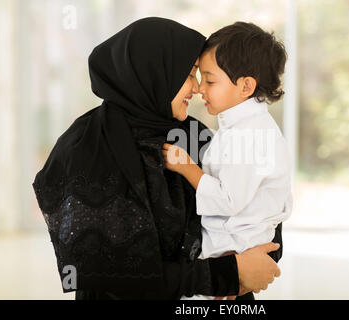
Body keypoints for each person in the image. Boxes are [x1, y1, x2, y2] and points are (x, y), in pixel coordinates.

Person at [32, 17, 282, 300]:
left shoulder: (195, 136)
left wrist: (253, 265)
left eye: (203, 77)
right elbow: (111, 275)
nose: (197, 88)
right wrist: (225, 274)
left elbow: (258, 210)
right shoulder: (88, 148)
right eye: (189, 75)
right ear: (155, 73)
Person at [162, 22, 292, 300]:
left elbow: (228, 200)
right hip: (235, 240)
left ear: (246, 86)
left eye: (209, 81)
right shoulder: (243, 128)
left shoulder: (248, 135)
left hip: (235, 243)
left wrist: (187, 168)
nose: (200, 89)